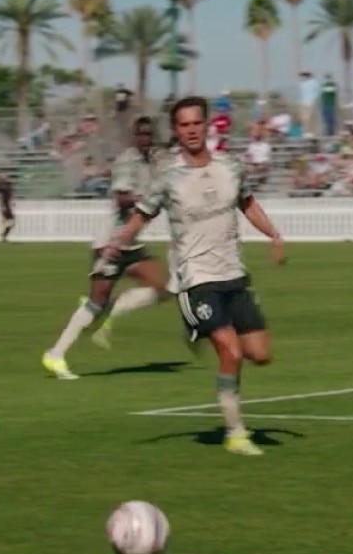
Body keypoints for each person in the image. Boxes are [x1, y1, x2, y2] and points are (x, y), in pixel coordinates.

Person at [104, 96, 285, 457]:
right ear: (176, 130)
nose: (190, 130)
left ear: (206, 126)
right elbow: (142, 214)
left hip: (234, 274)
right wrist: (120, 241)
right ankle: (236, 434)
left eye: (195, 123)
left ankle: (206, 338)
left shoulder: (230, 166)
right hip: (195, 280)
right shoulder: (168, 176)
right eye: (183, 125)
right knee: (230, 351)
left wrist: (273, 234)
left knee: (259, 355)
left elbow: (247, 203)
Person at [42, 117, 173, 379]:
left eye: (149, 134)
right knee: (95, 303)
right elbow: (122, 198)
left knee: (168, 286)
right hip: (111, 240)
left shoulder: (156, 162)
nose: (145, 138)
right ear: (135, 137)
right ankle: (55, 355)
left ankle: (113, 309)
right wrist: (148, 199)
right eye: (141, 134)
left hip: (132, 240)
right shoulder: (128, 160)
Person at [0, 173, 15, 242]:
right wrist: (1, 205)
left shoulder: (5, 186)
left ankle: (3, 234)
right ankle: (2, 234)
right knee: (10, 221)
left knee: (10, 221)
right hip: (5, 206)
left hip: (6, 205)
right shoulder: (1, 187)